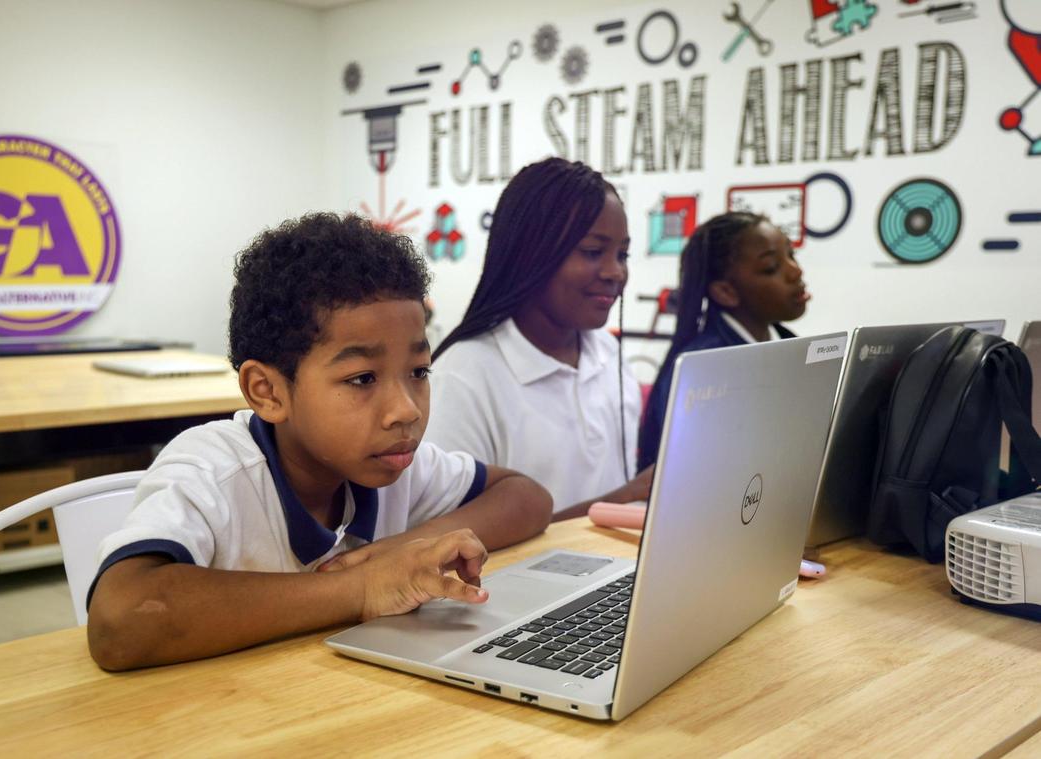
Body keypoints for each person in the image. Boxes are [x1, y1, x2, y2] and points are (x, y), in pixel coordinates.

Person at [87, 213, 552, 671]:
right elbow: (119, 621)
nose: (407, 409)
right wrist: (362, 587)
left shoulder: (399, 467)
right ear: (268, 392)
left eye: (418, 371)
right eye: (363, 378)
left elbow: (526, 497)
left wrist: (408, 549)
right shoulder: (213, 471)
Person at [426, 158, 650, 521]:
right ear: (532, 254)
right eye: (593, 252)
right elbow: (454, 541)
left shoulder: (608, 354)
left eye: (622, 254)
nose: (615, 272)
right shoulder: (462, 377)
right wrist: (625, 498)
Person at [637, 212, 810, 471]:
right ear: (726, 291)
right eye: (771, 267)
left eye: (791, 255)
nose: (796, 271)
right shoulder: (701, 370)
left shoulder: (795, 348)